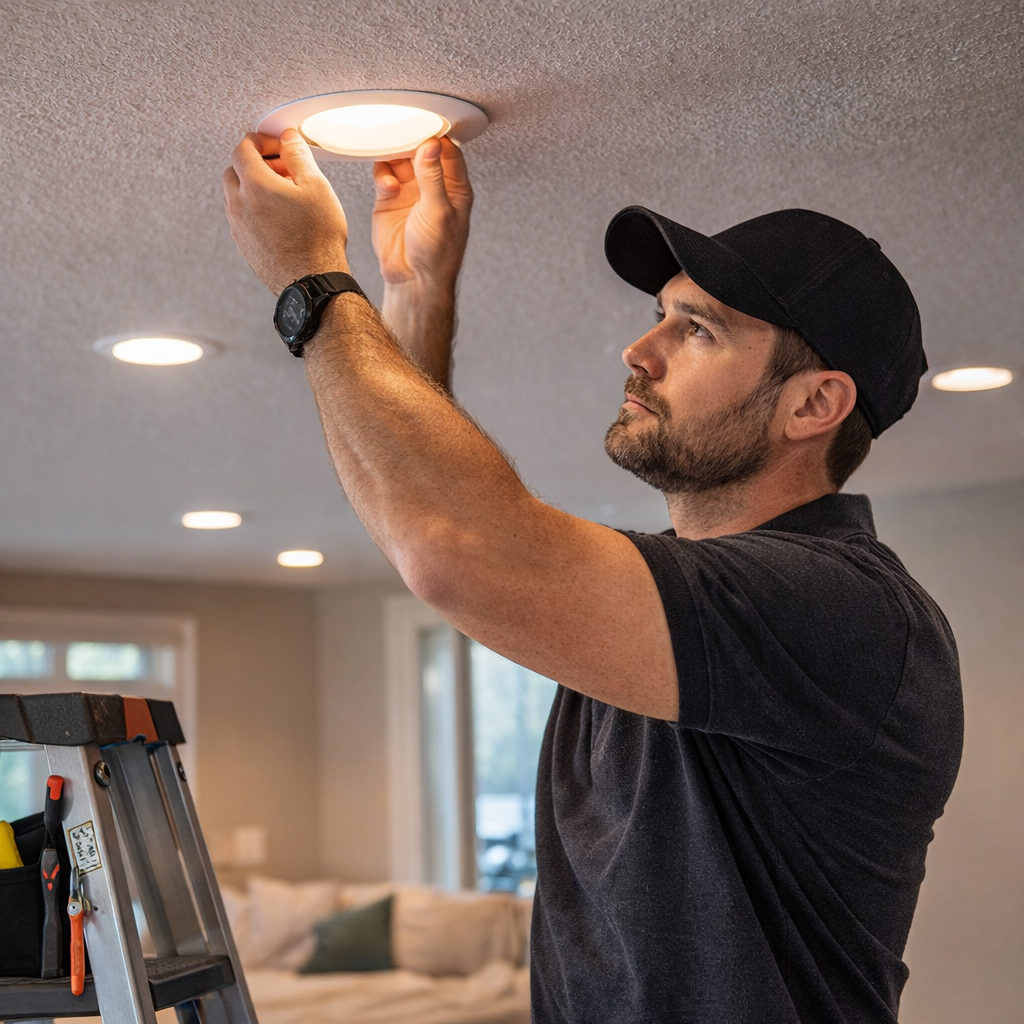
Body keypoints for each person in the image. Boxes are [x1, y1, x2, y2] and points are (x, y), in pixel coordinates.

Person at [224, 129, 963, 1024]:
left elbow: (455, 551)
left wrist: (310, 280)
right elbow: (428, 524)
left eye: (697, 329)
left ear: (813, 404)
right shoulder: (688, 602)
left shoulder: (844, 612)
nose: (639, 350)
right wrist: (416, 292)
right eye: (661, 314)